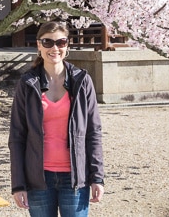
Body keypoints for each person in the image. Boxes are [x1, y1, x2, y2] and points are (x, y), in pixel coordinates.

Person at [9, 21, 104, 216]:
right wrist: (18, 185)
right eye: (48, 42)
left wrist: (98, 177)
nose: (55, 48)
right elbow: (17, 137)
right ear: (38, 45)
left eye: (61, 42)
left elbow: (93, 133)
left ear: (67, 45)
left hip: (75, 177)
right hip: (38, 178)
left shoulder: (81, 80)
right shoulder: (28, 84)